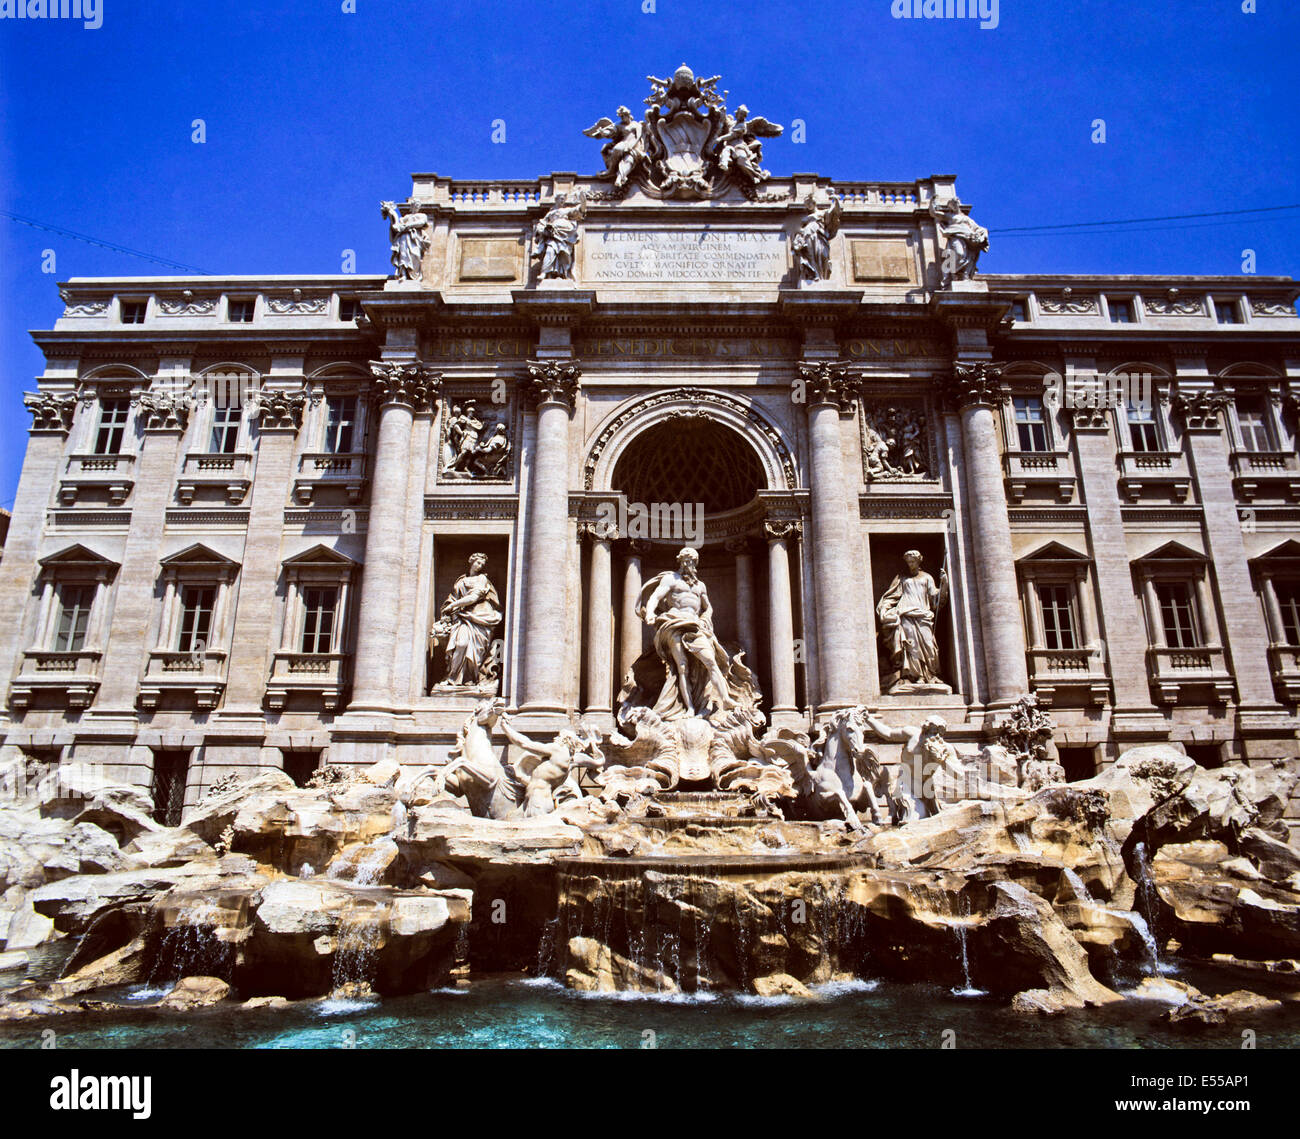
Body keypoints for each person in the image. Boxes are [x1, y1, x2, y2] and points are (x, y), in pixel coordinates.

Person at [639, 547, 735, 719]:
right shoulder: (671, 579)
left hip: (695, 625)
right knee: (682, 667)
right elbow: (655, 596)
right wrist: (651, 613)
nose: (688, 563)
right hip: (674, 621)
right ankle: (689, 708)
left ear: (695, 563)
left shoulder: (700, 586)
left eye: (691, 561)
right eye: (685, 560)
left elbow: (708, 607)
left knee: (710, 661)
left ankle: (726, 699)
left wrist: (706, 618)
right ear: (680, 562)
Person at [877, 550, 949, 692]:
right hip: (906, 615)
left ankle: (930, 674)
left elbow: (936, 599)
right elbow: (891, 597)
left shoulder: (927, 578)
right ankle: (916, 677)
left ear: (919, 561)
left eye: (913, 561)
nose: (911, 564)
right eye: (908, 562)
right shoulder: (902, 579)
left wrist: (944, 584)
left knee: (929, 645)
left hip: (923, 615)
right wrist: (886, 610)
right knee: (912, 647)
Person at [433, 554, 503, 687]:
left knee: (475, 650)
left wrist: (453, 605)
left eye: (482, 564)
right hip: (462, 617)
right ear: (471, 562)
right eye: (478, 563)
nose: (480, 566)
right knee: (461, 644)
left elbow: (473, 598)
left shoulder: (482, 579)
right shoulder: (461, 580)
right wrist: (450, 608)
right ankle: (452, 678)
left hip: (480, 617)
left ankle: (470, 679)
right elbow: (453, 597)